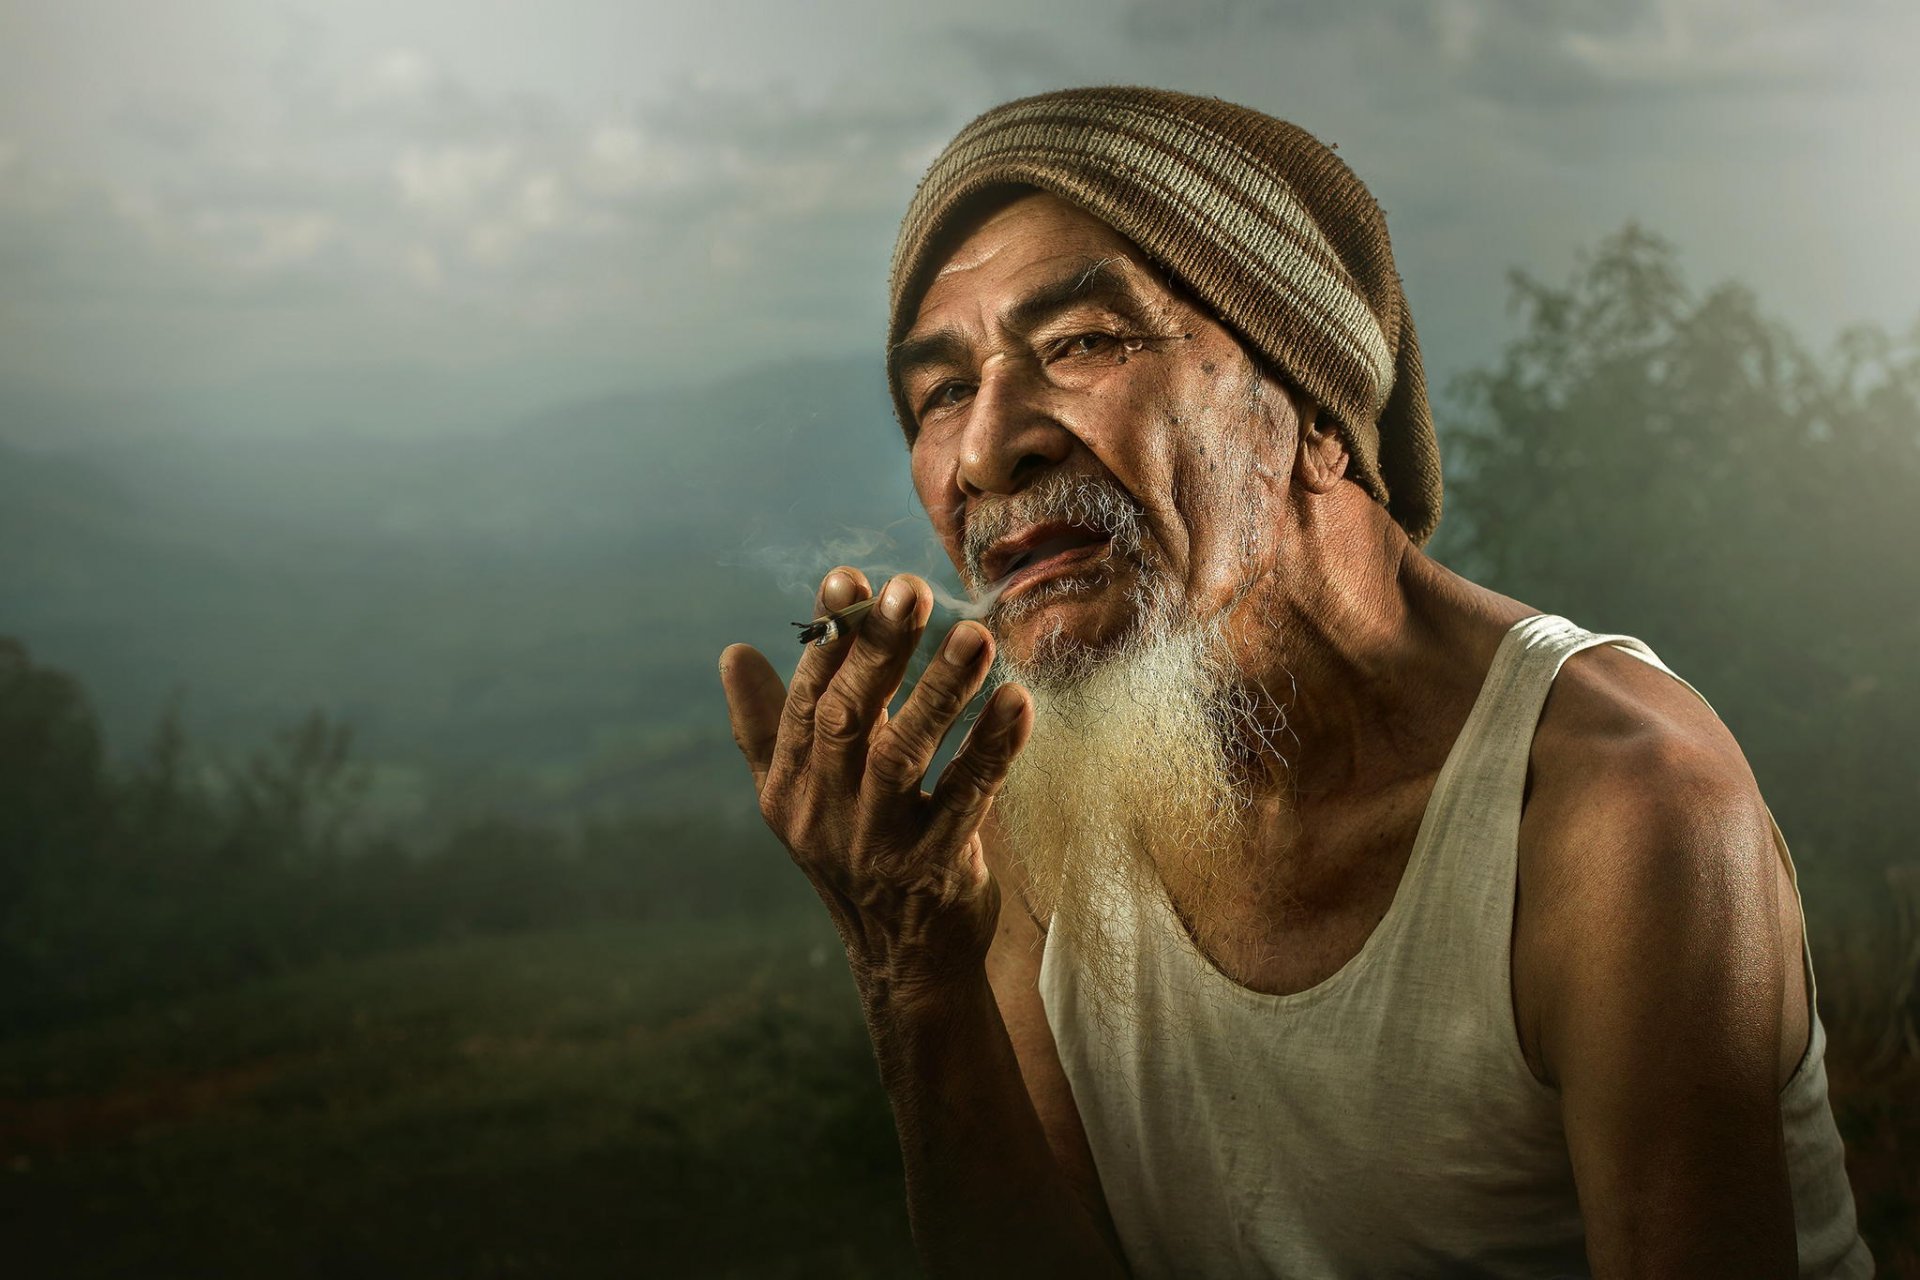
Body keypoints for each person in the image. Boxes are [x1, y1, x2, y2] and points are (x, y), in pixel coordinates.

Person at [717, 86, 1872, 1278]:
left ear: (1314, 401)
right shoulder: (1029, 802)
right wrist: (912, 964)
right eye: (940, 392)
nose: (985, 445)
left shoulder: (1618, 815)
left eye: (1083, 343)